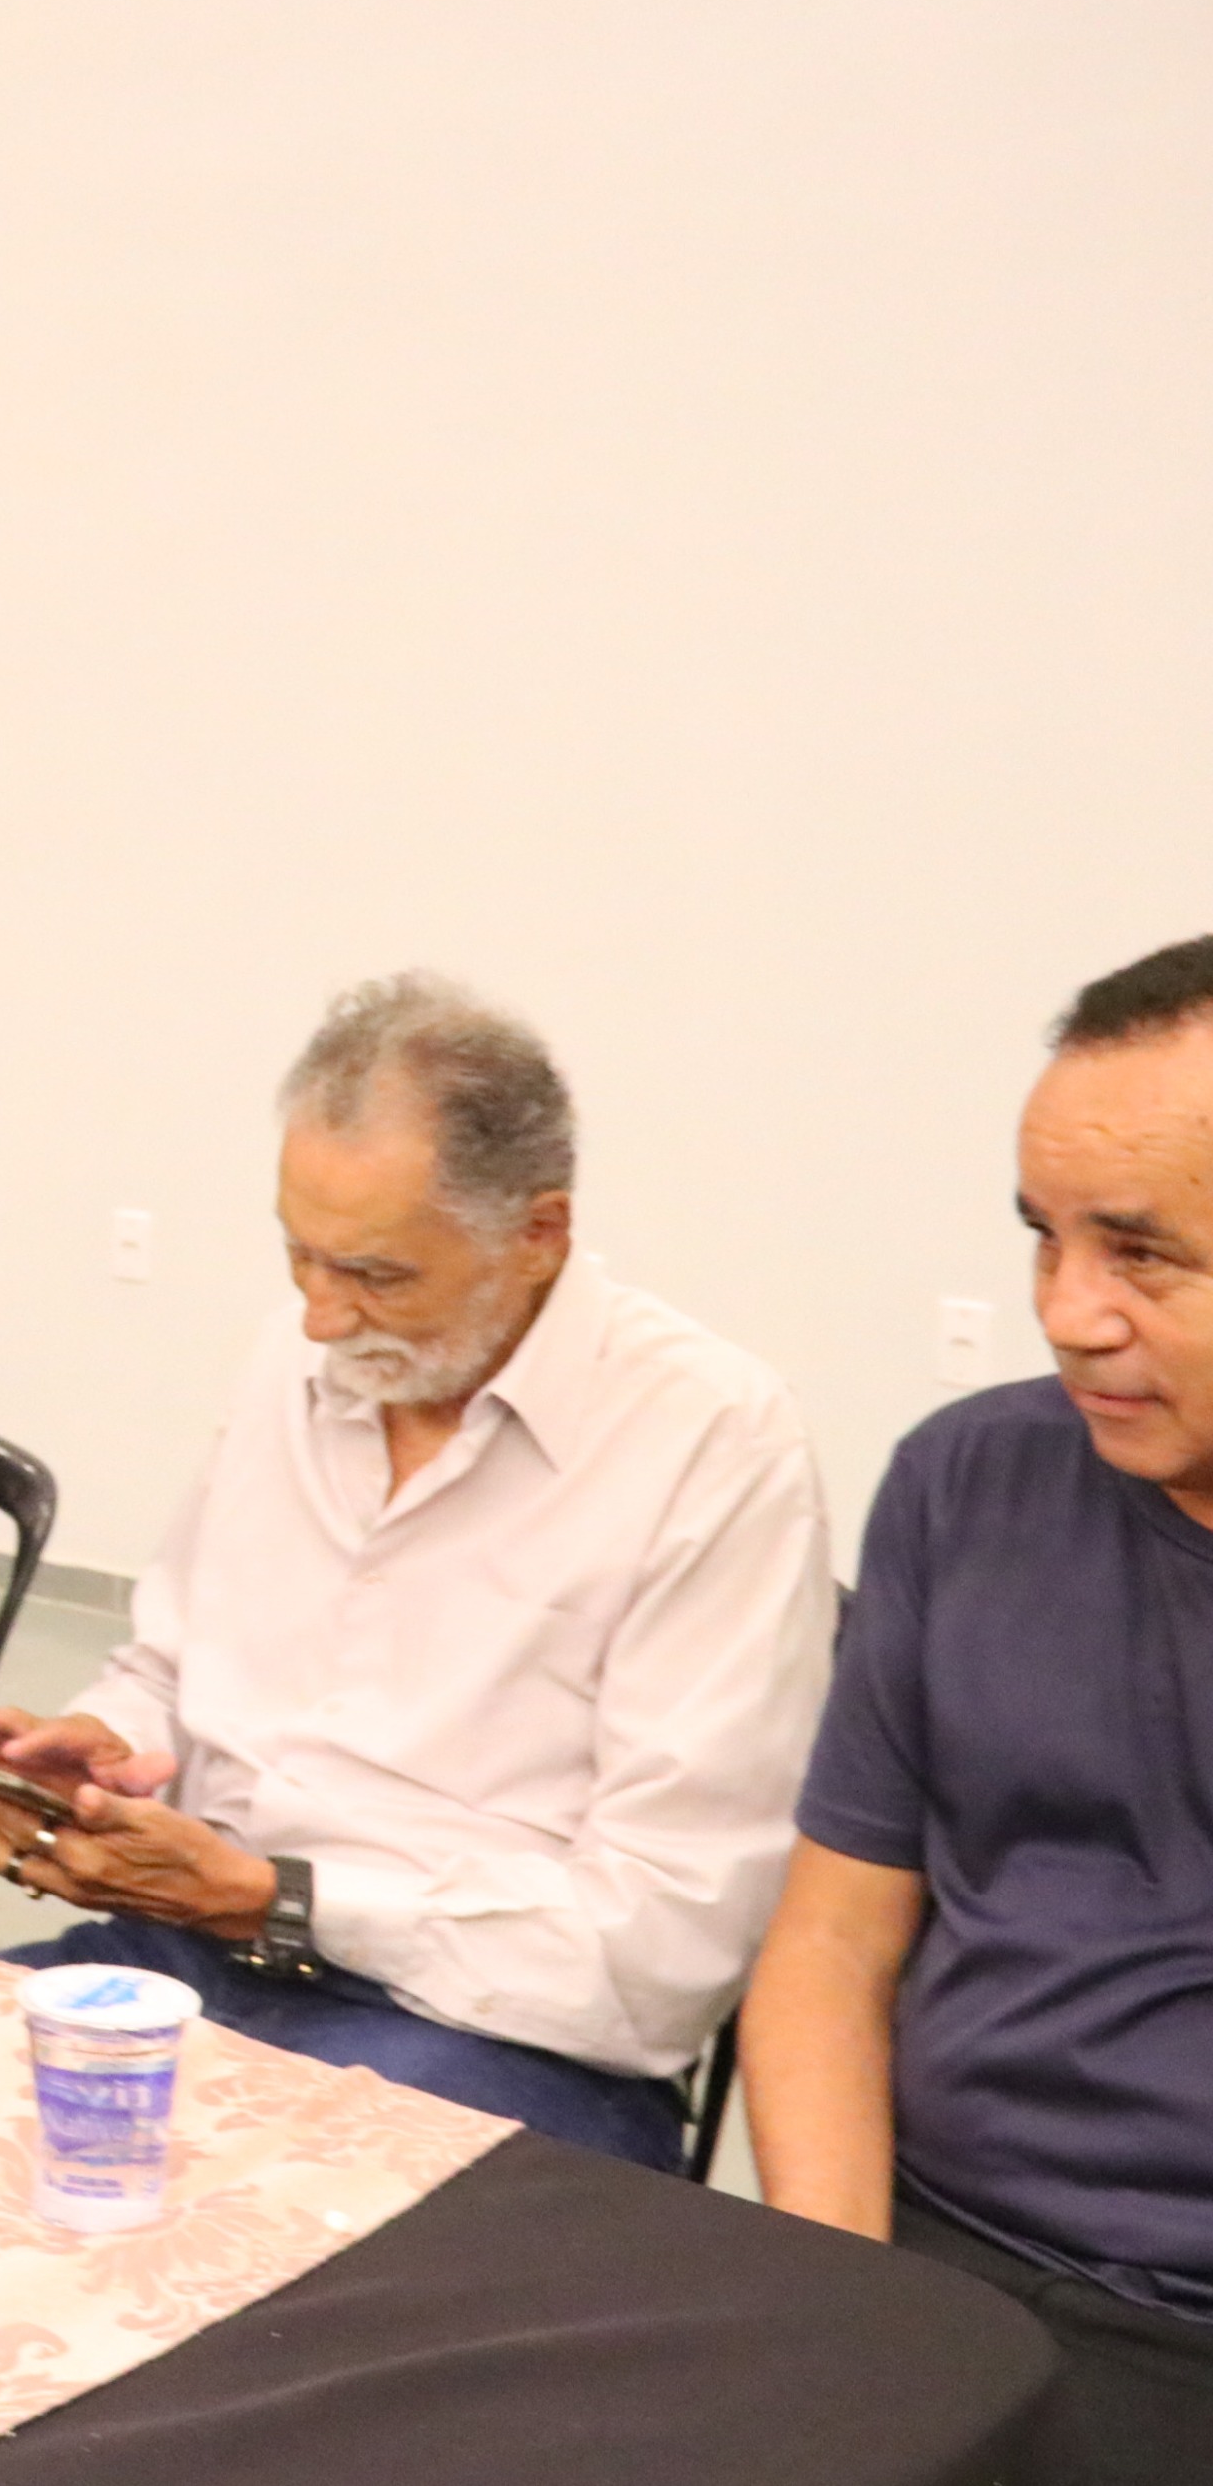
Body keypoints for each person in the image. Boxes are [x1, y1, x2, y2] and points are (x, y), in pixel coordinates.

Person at [0, 973, 836, 2171]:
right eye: (297, 1255)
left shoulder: (707, 1440)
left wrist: (278, 1898)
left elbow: (662, 1952)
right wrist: (97, 1751)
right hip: (190, 1954)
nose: (319, 1316)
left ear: (538, 1234)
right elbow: (168, 1666)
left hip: (497, 2041)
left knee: (240, 2229)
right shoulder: (301, 1361)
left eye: (376, 1275)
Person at [745, 935, 1213, 2482]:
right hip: (922, 2256)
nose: (1068, 1312)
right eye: (1043, 1239)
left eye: (1142, 1254)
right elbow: (830, 1948)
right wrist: (839, 2301)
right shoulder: (967, 1482)